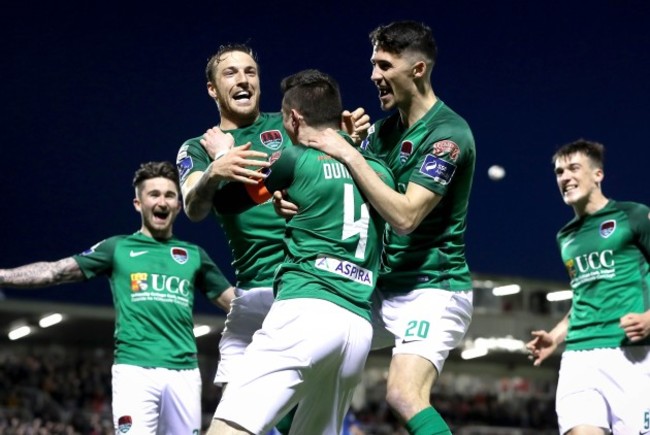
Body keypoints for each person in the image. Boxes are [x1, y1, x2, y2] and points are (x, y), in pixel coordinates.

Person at [303, 20, 476, 435]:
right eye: (373, 64)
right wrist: (342, 156)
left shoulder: (448, 135)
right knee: (304, 363)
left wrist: (349, 153)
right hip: (382, 288)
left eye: (383, 65)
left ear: (417, 69)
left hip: (433, 288)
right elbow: (352, 194)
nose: (373, 76)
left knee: (402, 393)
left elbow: (404, 217)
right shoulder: (381, 134)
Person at [205, 69, 395, 435]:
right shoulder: (379, 173)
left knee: (228, 429)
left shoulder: (294, 159)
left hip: (306, 309)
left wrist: (224, 156)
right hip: (357, 327)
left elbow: (225, 203)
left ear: (294, 118)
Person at [176, 44, 370, 398]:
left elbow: (331, 169)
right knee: (246, 403)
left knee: (273, 404)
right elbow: (193, 207)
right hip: (255, 290)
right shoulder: (200, 148)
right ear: (212, 89)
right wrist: (214, 173)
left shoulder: (290, 122)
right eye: (230, 73)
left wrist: (349, 138)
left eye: (250, 72)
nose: (243, 79)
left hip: (310, 285)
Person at [0, 161, 235, 434]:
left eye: (170, 195)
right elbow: (55, 271)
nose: (162, 201)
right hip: (134, 370)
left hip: (184, 373)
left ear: (179, 206)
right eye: (154, 194)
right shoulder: (117, 248)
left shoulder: (193, 254)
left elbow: (233, 302)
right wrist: (3, 275)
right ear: (138, 203)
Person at [526, 139, 650, 435]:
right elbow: (584, 295)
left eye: (573, 168)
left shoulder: (634, 216)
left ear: (598, 174)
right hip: (579, 355)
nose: (565, 177)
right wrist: (555, 337)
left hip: (631, 354)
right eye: (559, 172)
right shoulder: (565, 237)